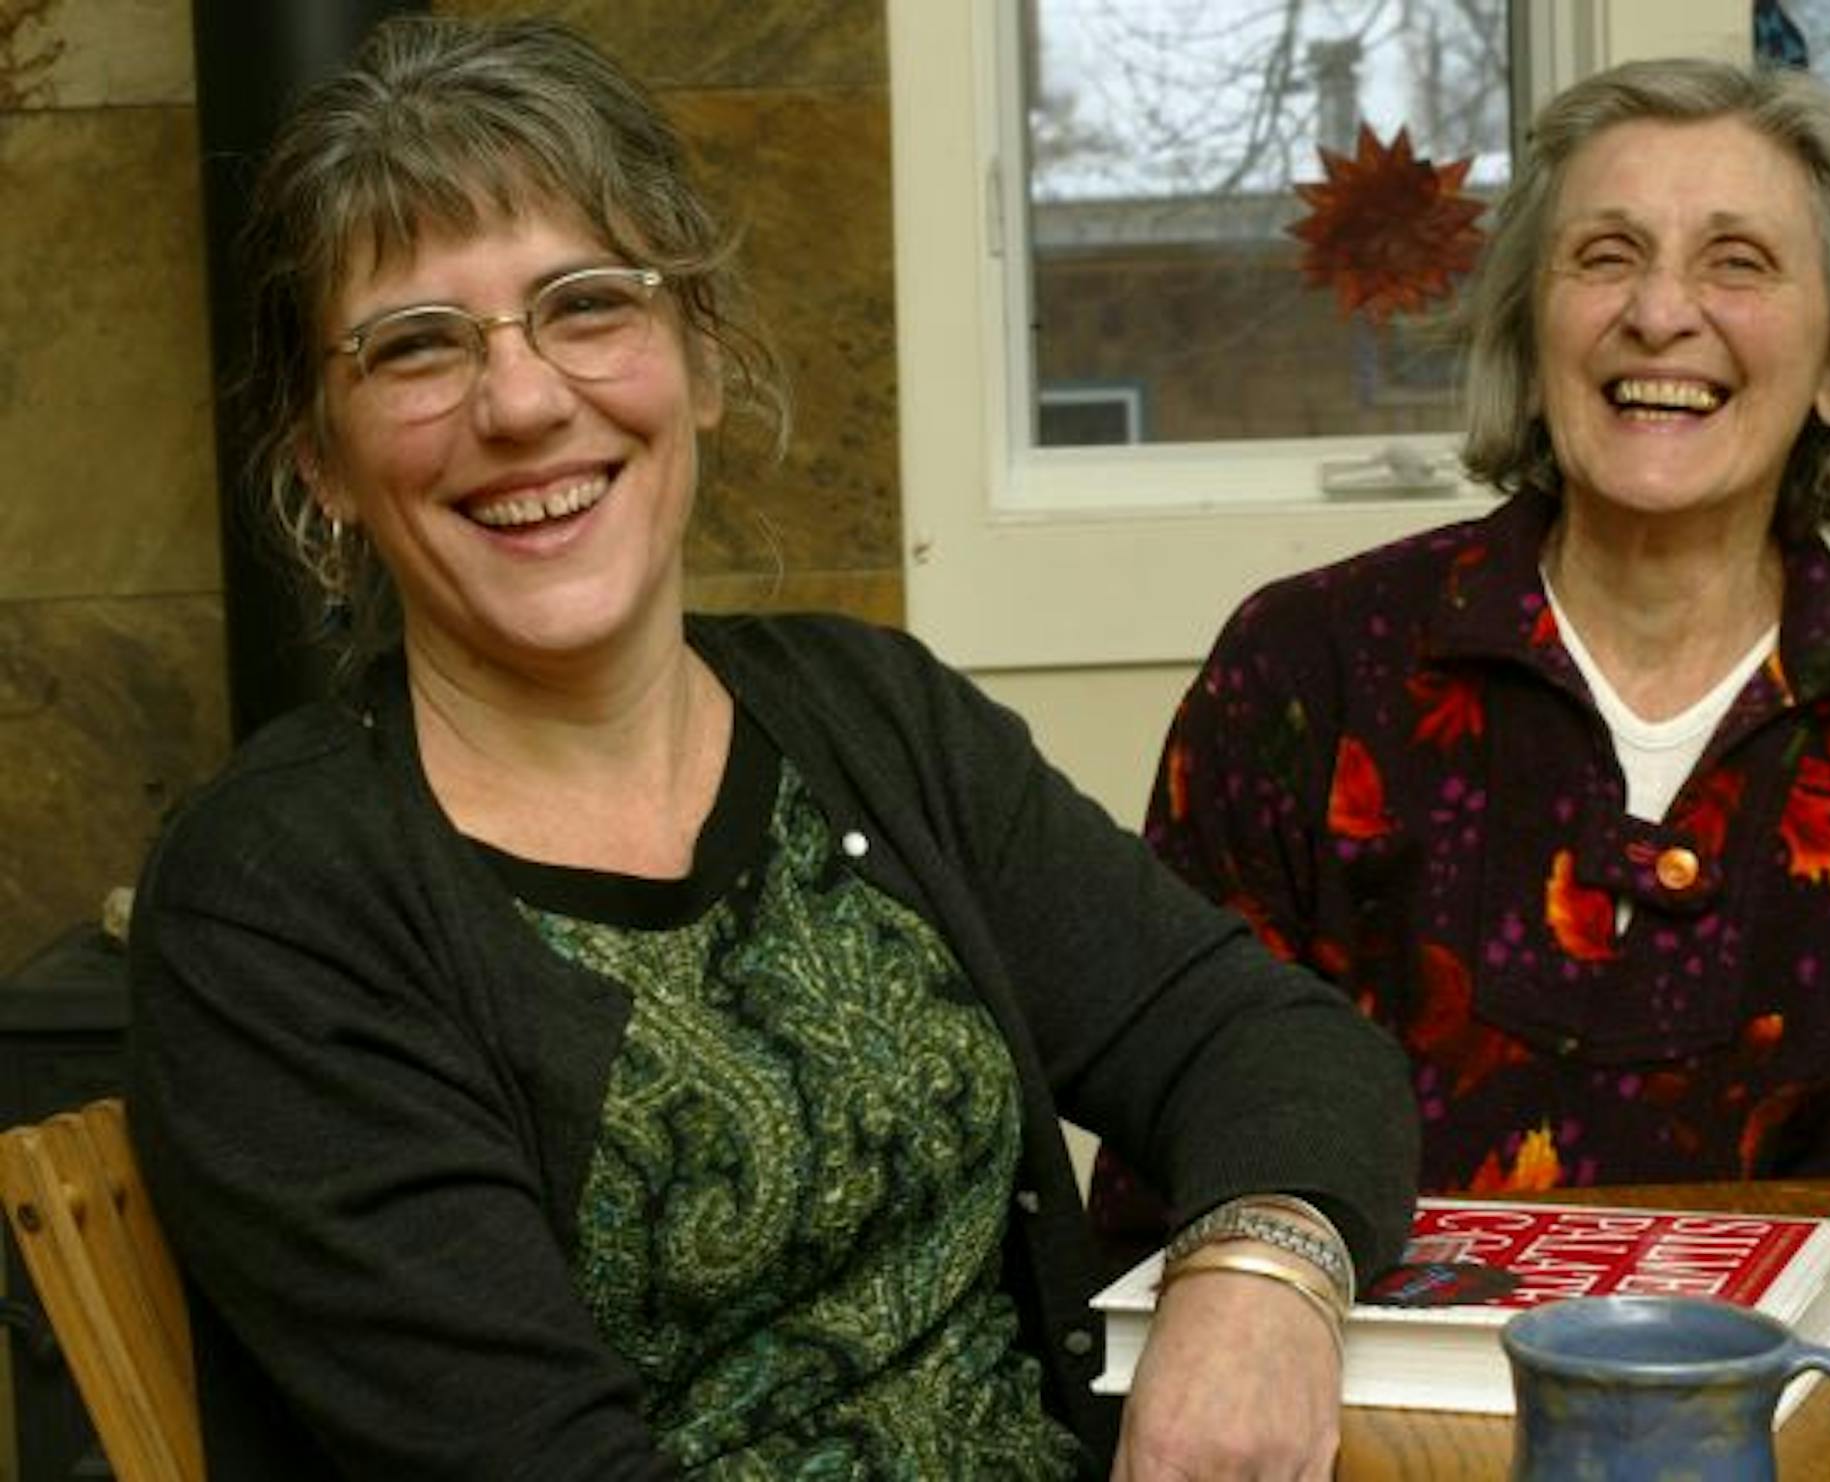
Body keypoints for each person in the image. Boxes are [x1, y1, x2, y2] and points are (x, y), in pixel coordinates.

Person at [123, 16, 1416, 1480]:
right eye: (418, 345)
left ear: (706, 361)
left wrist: (1259, 1277)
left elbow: (1273, 1041)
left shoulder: (874, 717)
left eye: (588, 303)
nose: (526, 399)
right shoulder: (275, 900)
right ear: (322, 467)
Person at [1093, 56, 1830, 1232]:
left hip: (1800, 1413)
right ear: (1529, 332)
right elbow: (1181, 1168)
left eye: (1738, 261)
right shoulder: (1304, 671)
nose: (1660, 313)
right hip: (1346, 1406)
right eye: (1606, 255)